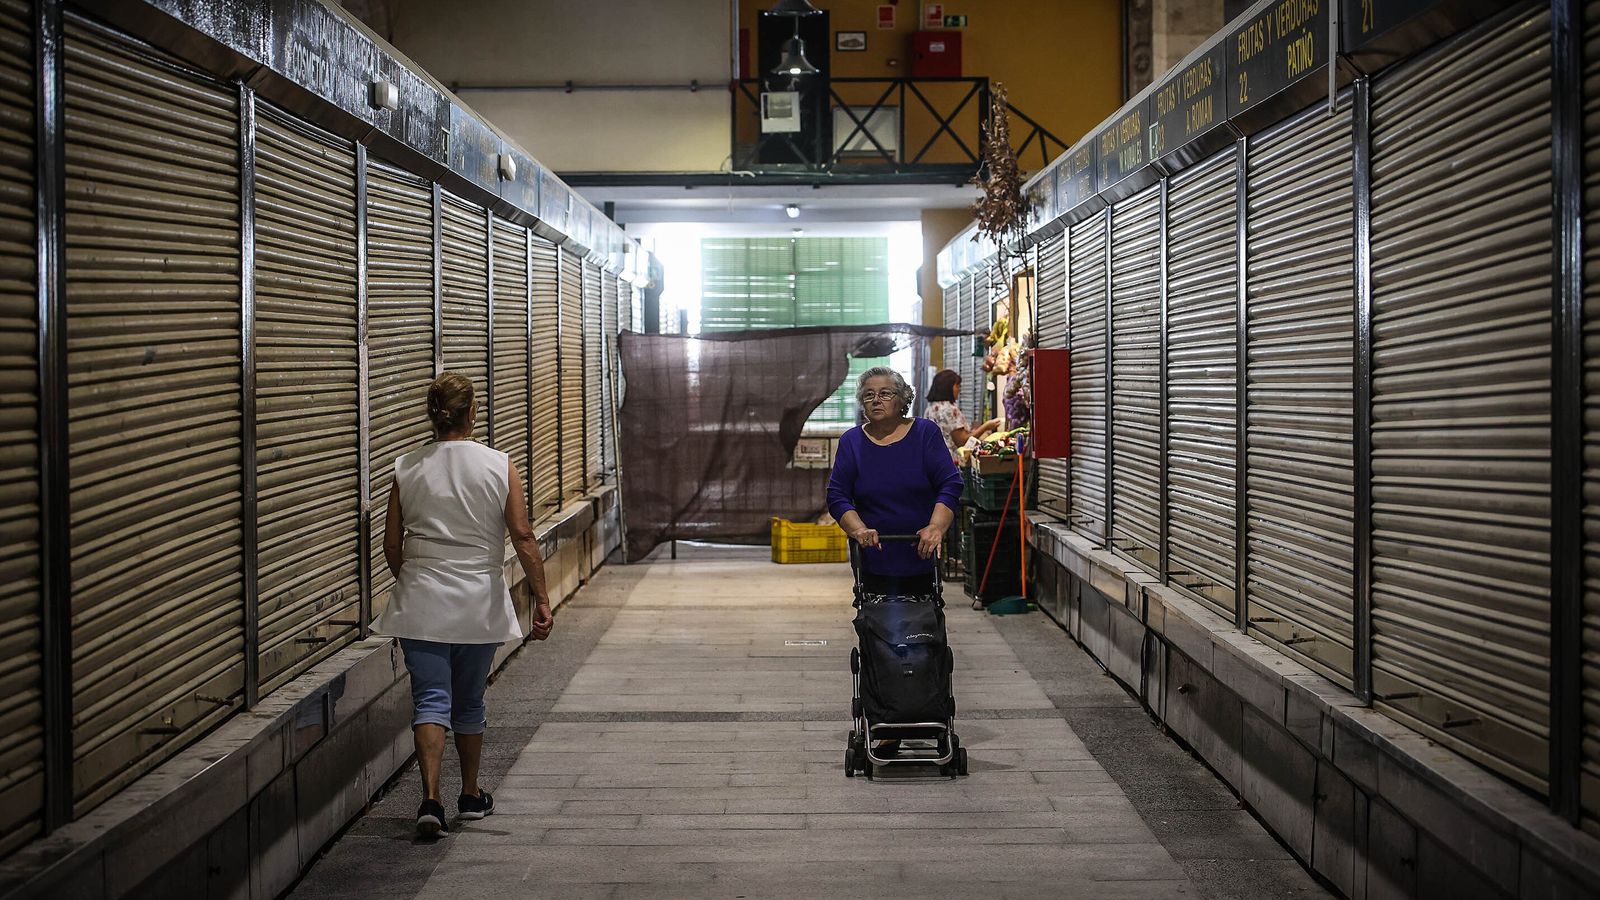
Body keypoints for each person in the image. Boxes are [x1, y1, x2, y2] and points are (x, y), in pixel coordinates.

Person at [374, 372, 555, 838]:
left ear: (433, 416)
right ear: (472, 413)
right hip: (478, 600)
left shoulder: (406, 467)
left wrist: (414, 582)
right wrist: (541, 597)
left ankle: (430, 800)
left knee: (430, 700)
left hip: (421, 599)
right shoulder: (499, 465)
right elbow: (523, 535)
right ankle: (470, 795)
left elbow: (391, 545)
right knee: (469, 699)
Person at [827, 366, 964, 597]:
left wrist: (936, 527)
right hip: (872, 553)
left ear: (902, 399)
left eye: (885, 393)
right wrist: (859, 530)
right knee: (874, 614)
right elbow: (837, 495)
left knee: (922, 615)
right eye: (868, 395)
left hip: (921, 550)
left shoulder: (925, 433)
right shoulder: (852, 441)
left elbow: (950, 484)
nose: (876, 400)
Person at [924, 368, 1003, 464]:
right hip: (951, 462)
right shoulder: (949, 409)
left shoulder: (931, 408)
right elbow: (962, 441)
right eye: (957, 386)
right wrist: (985, 427)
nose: (959, 389)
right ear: (948, 387)